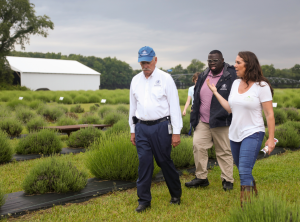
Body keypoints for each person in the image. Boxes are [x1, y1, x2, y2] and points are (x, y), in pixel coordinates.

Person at [206, 51, 275, 207]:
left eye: (238, 63)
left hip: (253, 133)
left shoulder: (261, 86)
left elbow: (269, 114)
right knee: (243, 170)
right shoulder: (236, 83)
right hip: (234, 134)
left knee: (244, 170)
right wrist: (215, 92)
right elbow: (230, 109)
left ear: (248, 64)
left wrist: (271, 139)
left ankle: (247, 208)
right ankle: (254, 199)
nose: (234, 66)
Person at [129, 46, 183, 213]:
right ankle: (144, 200)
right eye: (142, 63)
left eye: (148, 62)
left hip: (161, 127)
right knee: (144, 164)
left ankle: (175, 195)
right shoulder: (135, 80)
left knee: (164, 161)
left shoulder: (166, 79)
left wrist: (176, 131)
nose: (145, 65)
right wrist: (132, 129)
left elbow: (174, 106)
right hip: (141, 127)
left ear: (155, 60)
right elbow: (133, 107)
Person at [186, 50, 237, 191]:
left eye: (215, 60)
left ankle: (227, 180)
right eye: (209, 61)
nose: (212, 63)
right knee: (198, 146)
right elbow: (197, 95)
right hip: (203, 120)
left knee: (224, 151)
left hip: (221, 120)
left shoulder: (231, 75)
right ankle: (201, 178)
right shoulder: (203, 75)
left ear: (222, 60)